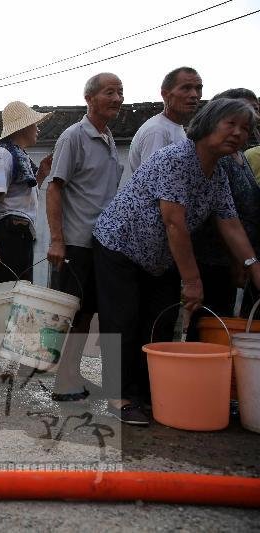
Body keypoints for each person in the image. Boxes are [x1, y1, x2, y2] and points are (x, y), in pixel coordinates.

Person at [92, 98, 260, 425]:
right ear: (208, 123)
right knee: (122, 320)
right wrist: (193, 280)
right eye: (231, 124)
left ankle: (147, 393)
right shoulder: (176, 158)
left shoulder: (217, 172)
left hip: (161, 258)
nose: (239, 133)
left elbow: (230, 222)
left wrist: (254, 265)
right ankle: (117, 396)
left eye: (245, 128)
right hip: (120, 246)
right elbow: (174, 223)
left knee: (158, 324)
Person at [46, 72, 124, 401]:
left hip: (102, 243)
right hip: (76, 241)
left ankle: (71, 375)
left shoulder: (107, 139)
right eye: (110, 92)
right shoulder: (73, 137)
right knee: (72, 313)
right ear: (89, 98)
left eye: (120, 92)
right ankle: (63, 380)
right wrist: (56, 239)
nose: (118, 98)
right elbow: (54, 187)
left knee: (88, 313)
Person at [0, 101, 53, 383]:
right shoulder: (3, 155)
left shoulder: (19, 155)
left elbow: (22, 197)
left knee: (16, 300)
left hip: (19, 234)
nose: (38, 129)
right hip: (7, 233)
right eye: (35, 124)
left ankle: (6, 364)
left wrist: (42, 172)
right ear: (23, 127)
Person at [190, 89, 260, 321]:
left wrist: (248, 260)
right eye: (233, 121)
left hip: (236, 254)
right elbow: (223, 218)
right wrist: (238, 261)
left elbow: (235, 213)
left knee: (227, 320)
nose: (239, 130)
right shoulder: (212, 157)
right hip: (214, 257)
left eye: (254, 111)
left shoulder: (236, 154)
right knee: (209, 321)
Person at [127, 67, 203, 174]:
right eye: (186, 88)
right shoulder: (157, 131)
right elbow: (154, 181)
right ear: (165, 94)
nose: (194, 95)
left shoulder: (175, 126)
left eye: (198, 88)